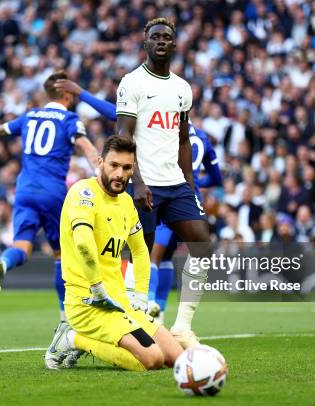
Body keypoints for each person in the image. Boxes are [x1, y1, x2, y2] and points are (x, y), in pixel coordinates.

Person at [54, 78, 222, 322]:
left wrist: (82, 92)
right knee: (165, 257)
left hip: (159, 188)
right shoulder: (202, 138)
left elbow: (116, 116)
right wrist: (195, 184)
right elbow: (215, 176)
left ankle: (147, 304)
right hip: (184, 194)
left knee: (147, 253)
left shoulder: (154, 122)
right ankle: (158, 310)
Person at [0, 71, 99, 322]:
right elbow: (86, 146)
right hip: (52, 192)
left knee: (21, 247)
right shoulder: (69, 119)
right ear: (67, 93)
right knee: (62, 256)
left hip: (23, 191)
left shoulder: (30, 116)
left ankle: (3, 261)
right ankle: (65, 318)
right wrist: (100, 170)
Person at [44, 136, 183, 371]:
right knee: (152, 360)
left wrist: (141, 295)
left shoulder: (127, 203)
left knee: (175, 357)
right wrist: (98, 289)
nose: (120, 174)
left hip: (120, 303)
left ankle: (88, 336)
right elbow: (84, 245)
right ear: (100, 163)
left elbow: (140, 251)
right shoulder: (83, 193)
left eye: (127, 168)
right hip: (88, 304)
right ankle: (71, 339)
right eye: (114, 165)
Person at [115, 18, 212, 348]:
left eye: (166, 37)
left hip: (176, 184)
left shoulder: (183, 88)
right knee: (141, 252)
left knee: (202, 243)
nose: (160, 41)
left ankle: (182, 326)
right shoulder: (132, 83)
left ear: (174, 45)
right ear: (145, 44)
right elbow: (123, 136)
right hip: (145, 184)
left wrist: (191, 185)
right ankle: (137, 320)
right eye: (154, 36)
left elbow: (183, 139)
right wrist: (137, 182)